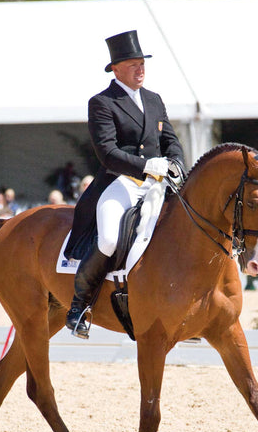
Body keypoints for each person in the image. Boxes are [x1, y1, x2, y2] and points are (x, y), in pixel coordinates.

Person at [64, 30, 185, 338]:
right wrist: (146, 165)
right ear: (115, 69)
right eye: (133, 64)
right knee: (107, 240)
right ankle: (79, 307)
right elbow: (108, 153)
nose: (140, 69)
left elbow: (170, 139)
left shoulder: (154, 100)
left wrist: (176, 164)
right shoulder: (103, 103)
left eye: (142, 63)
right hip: (121, 182)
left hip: (159, 182)